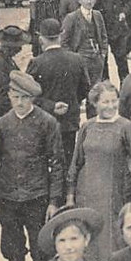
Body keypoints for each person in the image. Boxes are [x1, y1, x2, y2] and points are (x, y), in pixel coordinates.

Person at [0, 71, 65, 261]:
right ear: (9, 95)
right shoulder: (2, 124)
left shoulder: (47, 122)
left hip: (37, 197)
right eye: (15, 96)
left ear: (33, 98)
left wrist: (54, 201)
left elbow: (57, 163)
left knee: (41, 250)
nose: (19, 102)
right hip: (8, 198)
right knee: (13, 248)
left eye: (25, 98)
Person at [66, 82, 131, 261]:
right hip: (86, 196)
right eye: (105, 102)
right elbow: (77, 161)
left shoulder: (127, 127)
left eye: (114, 101)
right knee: (87, 243)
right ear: (94, 103)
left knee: (112, 246)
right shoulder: (87, 127)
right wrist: (70, 196)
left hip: (114, 196)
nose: (111, 106)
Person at [27, 19, 90, 171]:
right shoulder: (76, 59)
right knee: (68, 162)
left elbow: (28, 95)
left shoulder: (37, 63)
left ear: (41, 38)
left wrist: (51, 106)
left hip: (44, 121)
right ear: (60, 36)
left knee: (46, 164)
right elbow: (85, 88)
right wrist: (72, 101)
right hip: (70, 120)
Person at [88, 0, 131, 84]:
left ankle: (125, 89)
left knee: (121, 60)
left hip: (116, 26)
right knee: (101, 62)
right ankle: (106, 91)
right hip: (98, 27)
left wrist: (124, 12)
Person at [60, 0, 108, 106]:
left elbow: (103, 36)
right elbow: (64, 42)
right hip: (80, 59)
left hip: (96, 59)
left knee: (95, 93)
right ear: (79, 0)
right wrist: (72, 59)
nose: (89, 1)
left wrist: (103, 53)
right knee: (79, 91)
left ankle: (93, 119)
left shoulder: (97, 15)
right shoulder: (72, 17)